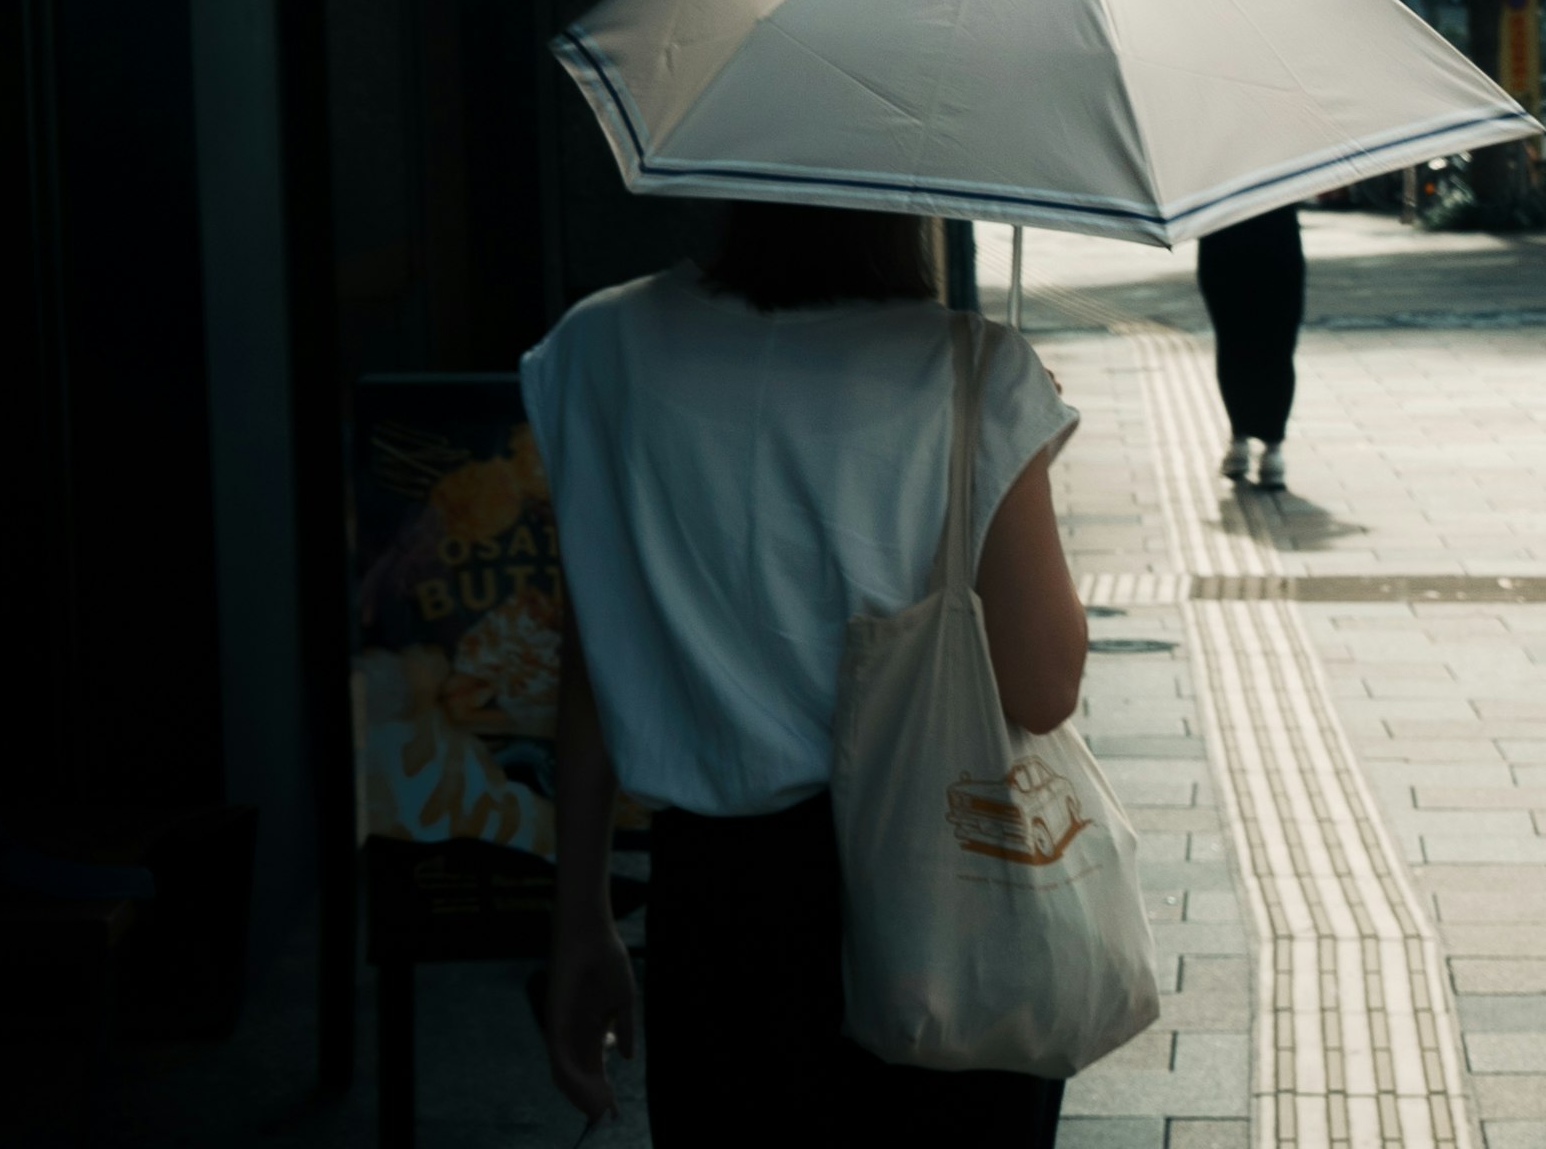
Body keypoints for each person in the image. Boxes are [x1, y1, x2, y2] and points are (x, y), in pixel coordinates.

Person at [527, 203, 1090, 1143]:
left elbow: (593, 656)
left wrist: (578, 910)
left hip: (717, 905)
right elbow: (1042, 685)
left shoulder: (602, 346)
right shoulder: (969, 371)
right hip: (941, 886)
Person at [1196, 201, 1304, 491]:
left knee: (1233, 345)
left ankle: (1240, 439)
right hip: (1276, 232)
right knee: (1277, 347)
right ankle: (1271, 449)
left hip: (1222, 229)